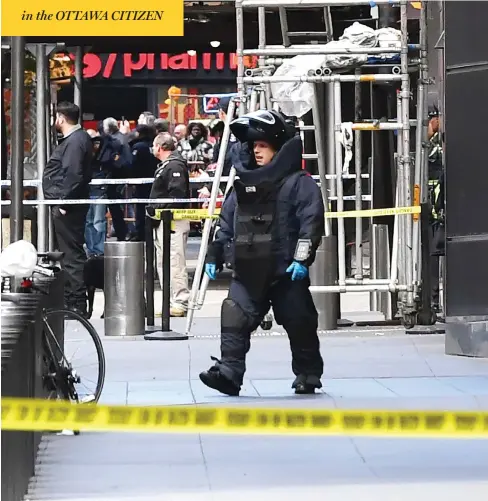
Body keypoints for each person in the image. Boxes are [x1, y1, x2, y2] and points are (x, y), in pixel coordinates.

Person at [199, 110, 325, 396]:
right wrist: (215, 253)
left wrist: (302, 258)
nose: (256, 151)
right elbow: (226, 223)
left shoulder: (299, 183)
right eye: (253, 146)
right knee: (234, 315)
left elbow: (311, 221)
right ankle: (229, 373)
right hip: (247, 270)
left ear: (278, 148)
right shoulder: (241, 186)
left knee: (299, 320)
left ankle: (308, 373)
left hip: (285, 271)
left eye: (263, 146)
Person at [42, 102, 93, 315]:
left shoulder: (75, 142)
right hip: (67, 204)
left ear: (61, 119)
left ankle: (76, 303)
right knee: (69, 254)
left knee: (71, 255)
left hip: (68, 207)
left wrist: (63, 201)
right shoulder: (76, 140)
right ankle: (74, 299)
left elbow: (74, 174)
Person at [147, 132, 191, 317]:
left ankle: (180, 301)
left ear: (160, 147)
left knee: (174, 260)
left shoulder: (174, 166)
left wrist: (158, 207)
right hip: (163, 220)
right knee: (163, 262)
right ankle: (170, 301)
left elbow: (177, 194)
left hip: (172, 220)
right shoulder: (167, 166)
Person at [427, 105, 444, 312]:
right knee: (432, 257)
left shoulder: (445, 140)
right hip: (430, 211)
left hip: (444, 210)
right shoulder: (427, 144)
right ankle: (433, 301)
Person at [129, 124, 158, 241]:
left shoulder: (138, 146)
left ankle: (141, 233)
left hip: (141, 182)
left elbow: (133, 165)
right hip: (155, 180)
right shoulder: (154, 145)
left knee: (141, 208)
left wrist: (131, 180)